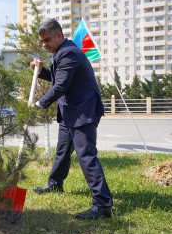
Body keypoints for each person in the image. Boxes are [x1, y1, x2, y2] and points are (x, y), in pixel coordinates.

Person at [30, 19, 113, 219]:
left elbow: (60, 87)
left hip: (83, 112)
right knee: (62, 151)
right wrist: (41, 72)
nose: (44, 45)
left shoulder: (69, 52)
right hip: (70, 113)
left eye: (47, 40)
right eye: (42, 42)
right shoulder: (62, 51)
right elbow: (58, 78)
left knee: (86, 156)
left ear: (59, 35)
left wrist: (38, 104)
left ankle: (102, 206)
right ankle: (55, 184)